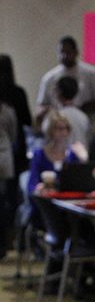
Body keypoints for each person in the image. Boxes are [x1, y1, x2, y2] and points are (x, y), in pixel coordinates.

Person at [35, 35, 95, 130]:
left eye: (68, 52)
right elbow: (42, 105)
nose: (64, 56)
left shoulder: (91, 74)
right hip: (58, 127)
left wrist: (77, 110)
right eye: (61, 52)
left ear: (76, 52)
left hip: (86, 125)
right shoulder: (49, 78)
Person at [0, 54, 32, 231]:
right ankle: (11, 233)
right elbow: (25, 122)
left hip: (9, 149)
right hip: (14, 151)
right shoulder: (18, 93)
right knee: (11, 195)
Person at [44, 75, 90, 154]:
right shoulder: (84, 117)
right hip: (81, 158)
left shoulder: (52, 117)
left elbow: (46, 136)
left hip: (60, 159)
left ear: (58, 92)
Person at [0, 96, 17, 259]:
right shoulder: (8, 111)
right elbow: (13, 136)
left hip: (3, 160)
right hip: (4, 157)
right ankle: (3, 244)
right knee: (2, 203)